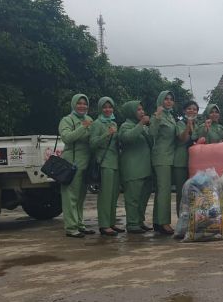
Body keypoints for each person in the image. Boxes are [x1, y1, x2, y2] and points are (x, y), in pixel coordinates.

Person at [58, 94, 94, 238]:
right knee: (70, 197)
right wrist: (82, 127)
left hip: (86, 163)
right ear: (73, 104)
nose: (82, 106)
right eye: (79, 103)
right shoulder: (67, 120)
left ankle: (80, 224)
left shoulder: (89, 119)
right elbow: (67, 138)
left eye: (85, 104)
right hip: (71, 163)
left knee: (80, 196)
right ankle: (71, 228)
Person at [118, 100, 153, 234]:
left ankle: (139, 221)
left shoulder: (143, 126)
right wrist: (141, 124)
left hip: (145, 168)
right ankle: (132, 224)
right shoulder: (125, 126)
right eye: (138, 109)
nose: (142, 112)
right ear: (131, 112)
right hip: (132, 169)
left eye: (142, 109)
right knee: (133, 198)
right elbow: (127, 138)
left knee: (143, 198)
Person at [89, 96, 122, 236]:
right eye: (105, 107)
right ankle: (104, 224)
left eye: (110, 107)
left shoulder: (114, 123)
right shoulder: (97, 124)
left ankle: (111, 222)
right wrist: (106, 134)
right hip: (104, 162)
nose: (108, 109)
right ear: (100, 109)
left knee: (114, 195)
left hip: (115, 162)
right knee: (105, 195)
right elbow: (92, 143)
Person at [150, 90, 177, 235]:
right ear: (160, 100)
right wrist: (158, 115)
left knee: (163, 191)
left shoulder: (171, 116)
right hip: (161, 157)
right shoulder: (158, 115)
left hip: (169, 156)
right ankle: (164, 222)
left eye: (171, 99)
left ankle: (157, 221)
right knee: (164, 191)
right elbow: (152, 132)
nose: (168, 101)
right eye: (166, 99)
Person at [174, 100, 199, 216]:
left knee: (194, 191)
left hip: (194, 162)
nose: (191, 111)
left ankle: (193, 218)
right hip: (181, 161)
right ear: (184, 111)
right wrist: (188, 126)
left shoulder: (198, 125)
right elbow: (183, 139)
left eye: (194, 109)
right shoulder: (180, 123)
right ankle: (181, 219)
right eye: (189, 108)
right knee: (182, 191)